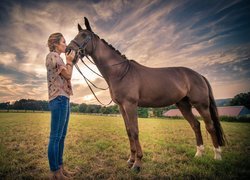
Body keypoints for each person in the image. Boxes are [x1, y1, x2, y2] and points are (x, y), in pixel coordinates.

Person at [46, 32, 76, 179]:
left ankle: (60, 168)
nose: (66, 44)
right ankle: (55, 172)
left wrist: (69, 61)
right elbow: (68, 75)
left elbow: (67, 74)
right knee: (55, 136)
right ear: (56, 44)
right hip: (58, 99)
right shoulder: (53, 56)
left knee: (61, 136)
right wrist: (69, 60)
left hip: (64, 99)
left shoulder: (59, 58)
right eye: (63, 42)